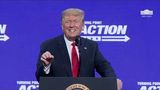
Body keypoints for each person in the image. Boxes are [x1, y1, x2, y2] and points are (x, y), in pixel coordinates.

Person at [36, 8, 122, 89]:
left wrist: (112, 81)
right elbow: (40, 78)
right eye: (67, 22)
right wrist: (46, 66)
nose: (72, 25)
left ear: (83, 25)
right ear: (62, 25)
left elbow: (104, 67)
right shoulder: (49, 46)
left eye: (76, 21)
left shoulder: (91, 46)